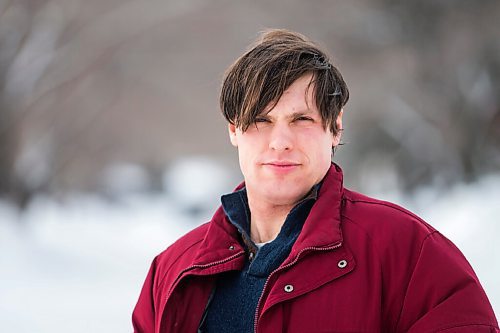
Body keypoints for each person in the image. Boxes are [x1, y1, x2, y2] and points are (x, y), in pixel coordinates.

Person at [132, 29, 498, 332]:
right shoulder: (174, 270)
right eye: (261, 120)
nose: (280, 142)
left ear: (335, 127)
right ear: (234, 130)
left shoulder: (409, 251)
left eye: (301, 120)